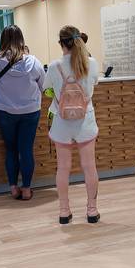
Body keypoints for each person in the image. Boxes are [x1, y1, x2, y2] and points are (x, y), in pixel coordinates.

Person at [0, 24, 45, 200]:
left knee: (11, 149)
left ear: (2, 40)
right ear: (21, 39)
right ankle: (27, 189)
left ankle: (14, 188)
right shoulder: (33, 61)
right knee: (26, 149)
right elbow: (43, 85)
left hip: (5, 111)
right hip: (30, 111)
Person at [44, 25, 101, 224]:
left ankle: (64, 211)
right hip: (85, 121)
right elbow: (95, 84)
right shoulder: (92, 63)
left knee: (63, 168)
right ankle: (92, 211)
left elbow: (47, 90)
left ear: (61, 43)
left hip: (61, 123)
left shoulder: (53, 66)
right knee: (89, 166)